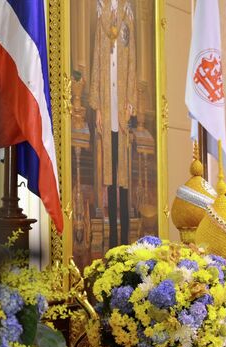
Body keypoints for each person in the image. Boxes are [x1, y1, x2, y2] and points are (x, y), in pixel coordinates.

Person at [89, 0, 137, 248]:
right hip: (107, 107)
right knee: (110, 173)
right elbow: (98, 59)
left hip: (122, 108)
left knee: (123, 177)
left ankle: (126, 237)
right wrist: (97, 106)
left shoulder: (127, 16)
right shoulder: (102, 15)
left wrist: (130, 100)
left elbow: (132, 62)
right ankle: (113, 239)